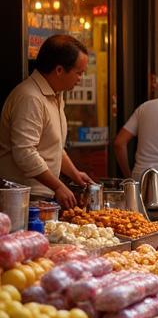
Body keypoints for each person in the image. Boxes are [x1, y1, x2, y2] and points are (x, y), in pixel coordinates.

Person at [0, 35, 92, 209]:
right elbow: (25, 153)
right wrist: (57, 186)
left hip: (42, 195)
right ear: (59, 70)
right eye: (78, 72)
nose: (80, 78)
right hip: (24, 199)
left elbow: (54, 147)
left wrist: (75, 175)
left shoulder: (56, 95)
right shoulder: (30, 97)